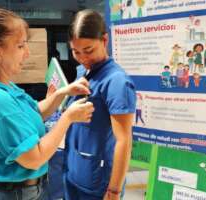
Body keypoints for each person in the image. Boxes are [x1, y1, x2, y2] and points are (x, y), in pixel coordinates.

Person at [0, 7, 94, 200]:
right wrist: (67, 118)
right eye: (20, 46)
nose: (26, 53)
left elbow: (34, 113)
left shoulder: (4, 87)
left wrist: (61, 93)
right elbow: (35, 158)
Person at [64, 9, 136, 200]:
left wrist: (114, 190)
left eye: (89, 50)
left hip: (98, 182)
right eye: (76, 52)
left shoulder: (117, 81)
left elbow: (124, 141)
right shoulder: (83, 72)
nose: (83, 58)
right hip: (74, 172)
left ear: (105, 40)